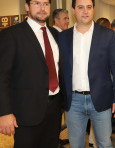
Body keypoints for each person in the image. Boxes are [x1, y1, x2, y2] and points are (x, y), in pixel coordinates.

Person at [0, 0, 67, 148]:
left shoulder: (55, 34)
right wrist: (4, 112)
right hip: (26, 111)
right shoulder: (11, 34)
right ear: (27, 7)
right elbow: (2, 76)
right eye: (36, 3)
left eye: (46, 4)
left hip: (54, 109)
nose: (42, 8)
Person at [58, 0, 115, 148]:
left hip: (101, 100)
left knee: (104, 144)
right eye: (80, 7)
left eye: (89, 7)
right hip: (73, 102)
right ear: (73, 10)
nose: (85, 11)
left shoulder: (107, 35)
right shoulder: (63, 37)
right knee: (76, 145)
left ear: (93, 9)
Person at [52, 8, 70, 148]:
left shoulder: (63, 35)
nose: (67, 21)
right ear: (56, 20)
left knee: (58, 116)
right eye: (64, 18)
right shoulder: (54, 36)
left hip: (62, 85)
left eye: (68, 18)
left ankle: (56, 139)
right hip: (56, 85)